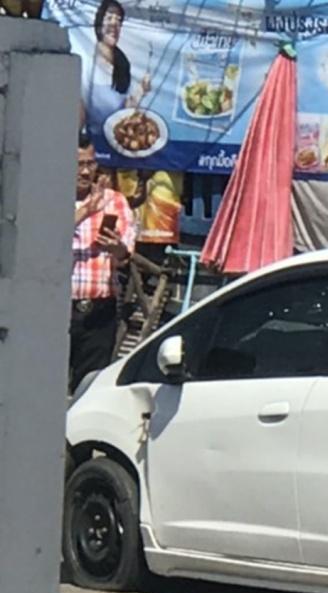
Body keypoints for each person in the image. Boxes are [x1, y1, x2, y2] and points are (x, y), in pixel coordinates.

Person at [71, 134, 136, 394]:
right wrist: (86, 210)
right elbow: (43, 236)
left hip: (98, 308)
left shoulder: (114, 200)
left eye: (91, 164)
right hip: (54, 307)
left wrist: (117, 248)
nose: (86, 172)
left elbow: (125, 254)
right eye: (79, 165)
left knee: (88, 386)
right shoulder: (48, 197)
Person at [81, 0, 150, 137]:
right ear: (99, 24)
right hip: (92, 142)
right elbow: (79, 108)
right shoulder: (87, 62)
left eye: (118, 21)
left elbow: (125, 110)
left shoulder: (123, 64)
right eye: (109, 18)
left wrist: (141, 92)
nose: (114, 24)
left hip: (117, 140)